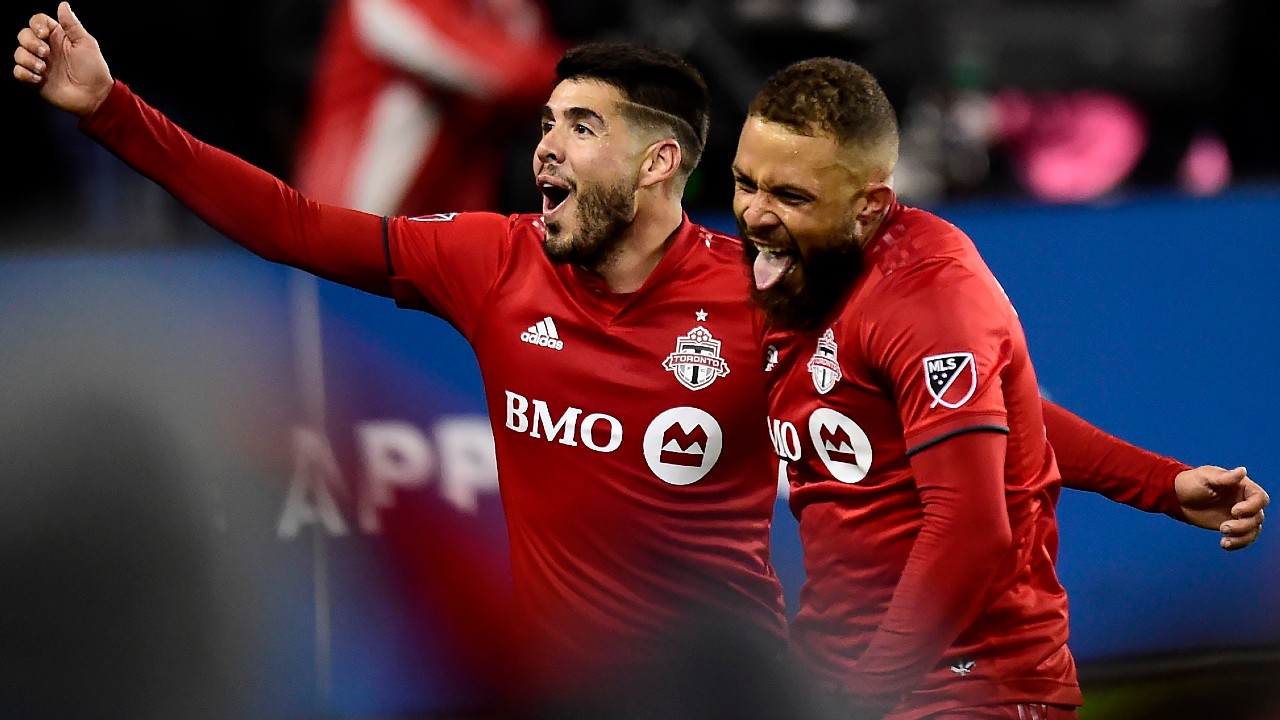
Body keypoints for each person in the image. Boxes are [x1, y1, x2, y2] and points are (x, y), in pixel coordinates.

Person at [13, 5, 1267, 711]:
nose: (544, 149)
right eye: (544, 124)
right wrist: (113, 108)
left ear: (661, 162)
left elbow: (987, 401)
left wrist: (1162, 486)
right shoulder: (488, 262)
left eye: (578, 127)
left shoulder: (759, 293)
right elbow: (290, 222)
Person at [730, 58, 1263, 719]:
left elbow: (973, 531)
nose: (754, 212)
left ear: (868, 205)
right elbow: (997, 411)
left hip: (968, 684)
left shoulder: (926, 296)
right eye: (744, 182)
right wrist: (1158, 483)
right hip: (847, 667)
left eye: (790, 196)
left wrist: (862, 694)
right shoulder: (796, 266)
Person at [293, 0, 563, 216]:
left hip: (455, 224)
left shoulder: (513, 11)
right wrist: (589, 71)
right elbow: (500, 72)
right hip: (355, 211)